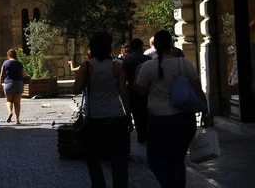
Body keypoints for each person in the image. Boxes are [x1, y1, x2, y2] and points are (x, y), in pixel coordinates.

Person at [135, 30, 211, 188]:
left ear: (154, 46)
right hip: (185, 119)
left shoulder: (148, 67)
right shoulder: (184, 63)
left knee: (155, 160)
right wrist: (205, 112)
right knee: (177, 160)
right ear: (170, 44)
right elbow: (198, 90)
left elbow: (139, 91)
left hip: (160, 121)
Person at [73, 32, 132, 188]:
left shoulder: (87, 66)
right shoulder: (116, 66)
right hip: (117, 116)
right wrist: (128, 116)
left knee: (93, 156)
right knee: (118, 157)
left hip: (95, 118)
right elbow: (123, 93)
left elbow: (76, 89)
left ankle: (99, 185)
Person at [122, 38, 151, 143]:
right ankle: (148, 133)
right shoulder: (147, 59)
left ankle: (141, 134)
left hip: (132, 91)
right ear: (141, 46)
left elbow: (123, 78)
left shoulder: (127, 61)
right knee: (147, 113)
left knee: (137, 114)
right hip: (147, 90)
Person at [0, 49, 27, 124]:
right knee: (17, 102)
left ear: (8, 55)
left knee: (9, 101)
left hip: (8, 84)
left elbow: (1, 75)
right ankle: (17, 120)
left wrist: (0, 85)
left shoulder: (5, 63)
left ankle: (10, 112)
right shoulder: (19, 63)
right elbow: (24, 74)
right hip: (18, 83)